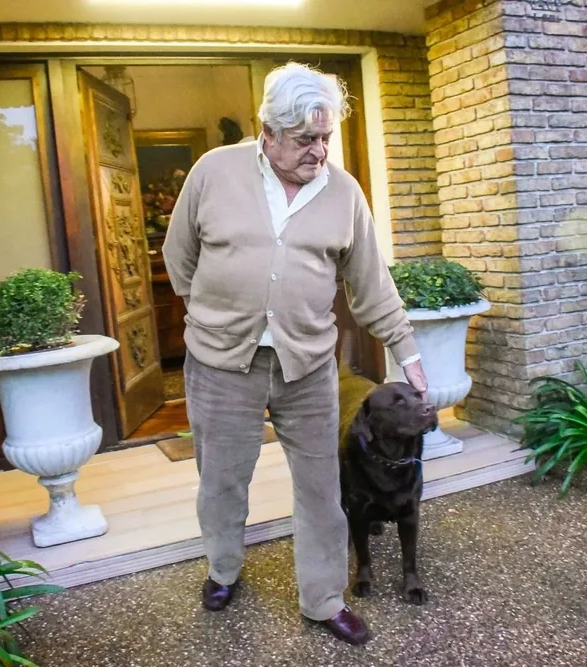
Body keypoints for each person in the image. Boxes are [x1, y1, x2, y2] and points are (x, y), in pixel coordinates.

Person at [162, 62, 428, 646]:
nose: (319, 151)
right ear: (269, 130)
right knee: (222, 482)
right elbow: (179, 256)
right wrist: (216, 312)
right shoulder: (214, 172)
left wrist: (406, 351)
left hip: (306, 366)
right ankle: (223, 570)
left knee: (321, 490)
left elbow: (370, 282)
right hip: (221, 364)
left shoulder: (343, 191)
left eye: (326, 137)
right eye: (306, 139)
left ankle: (324, 598)